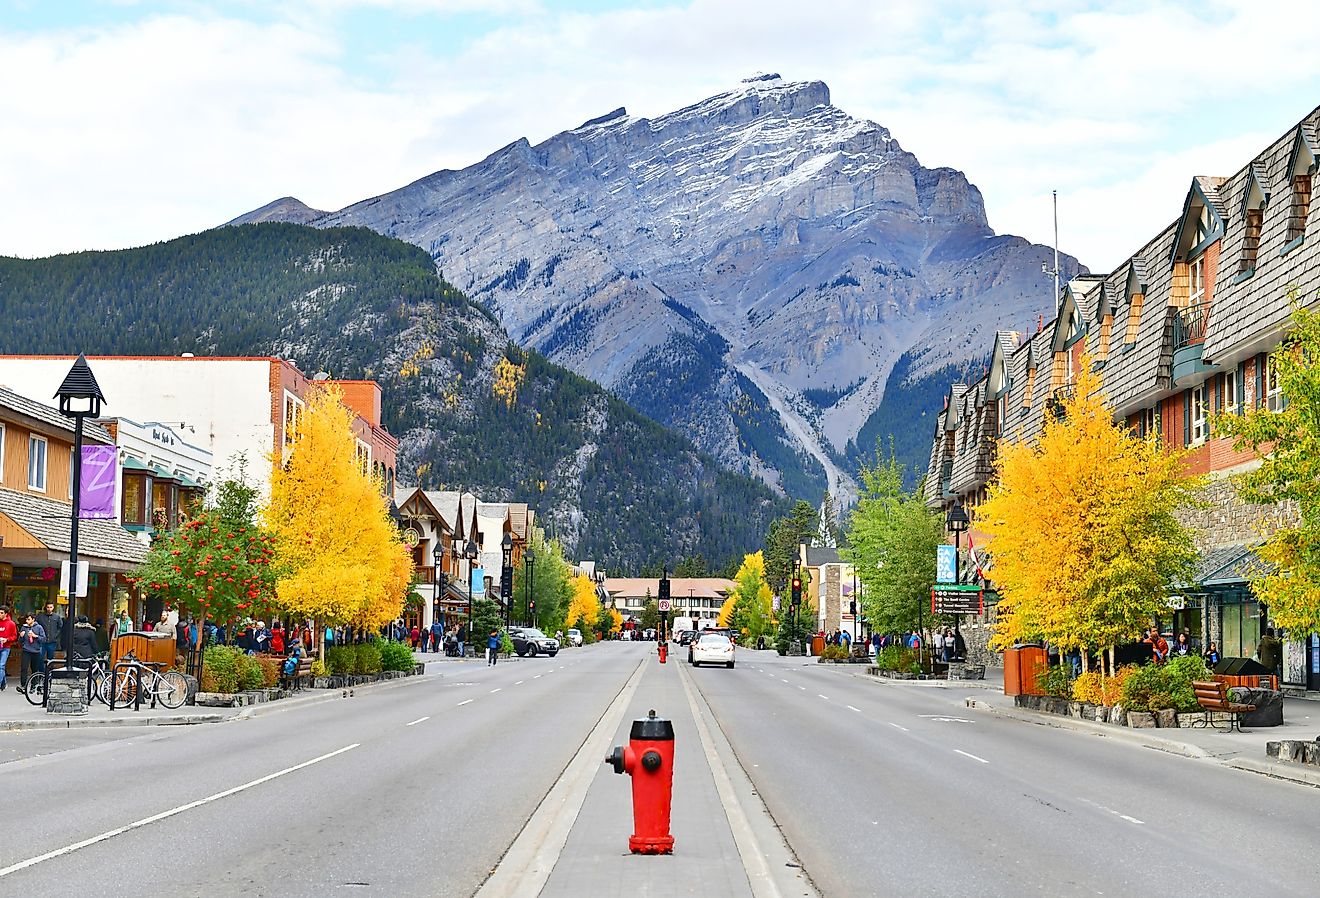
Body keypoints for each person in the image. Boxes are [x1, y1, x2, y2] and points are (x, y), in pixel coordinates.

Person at [19, 614, 46, 691]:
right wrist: (21, 636)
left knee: (34, 668)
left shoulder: (39, 627)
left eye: (29, 619)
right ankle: (23, 685)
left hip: (36, 651)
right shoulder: (24, 627)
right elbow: (20, 641)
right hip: (26, 650)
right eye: (26, 619)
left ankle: (33, 685)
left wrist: (35, 636)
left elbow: (43, 639)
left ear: (33, 619)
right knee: (24, 668)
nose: (27, 621)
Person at [36, 602, 63, 669]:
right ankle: (41, 674)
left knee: (51, 659)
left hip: (52, 641)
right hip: (42, 641)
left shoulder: (57, 617)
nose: (49, 609)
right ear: (46, 607)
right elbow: (36, 626)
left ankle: (49, 673)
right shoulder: (40, 616)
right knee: (40, 658)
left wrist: (55, 635)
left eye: (51, 607)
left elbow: (60, 627)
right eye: (48, 607)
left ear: (53, 608)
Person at [0, 607, 17, 691]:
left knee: (1, 665)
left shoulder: (11, 624)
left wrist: (7, 639)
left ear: (6, 614)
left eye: (2, 613)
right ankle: (3, 683)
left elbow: (14, 636)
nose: (0, 614)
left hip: (6, 647)